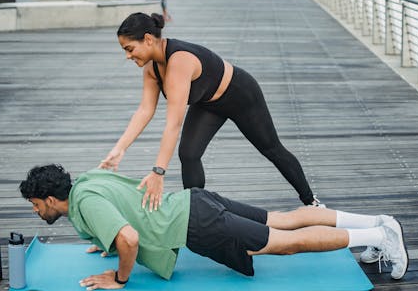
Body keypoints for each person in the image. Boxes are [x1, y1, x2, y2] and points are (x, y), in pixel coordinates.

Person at [19, 164, 409, 290]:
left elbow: (131, 237)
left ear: (51, 199)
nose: (37, 212)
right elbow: (121, 213)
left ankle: (379, 237)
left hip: (196, 224)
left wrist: (119, 277)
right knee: (285, 219)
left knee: (285, 243)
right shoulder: (87, 182)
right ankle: (376, 223)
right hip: (195, 201)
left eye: (36, 205)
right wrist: (106, 240)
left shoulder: (84, 201)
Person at [99, 12, 322, 212]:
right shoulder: (151, 69)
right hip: (208, 103)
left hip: (240, 95)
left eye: (129, 49)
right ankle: (197, 212)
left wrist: (158, 172)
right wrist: (119, 149)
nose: (128, 56)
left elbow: (173, 124)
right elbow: (144, 111)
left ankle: (312, 202)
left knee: (272, 149)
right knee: (189, 154)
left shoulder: (179, 61)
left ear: (148, 39)